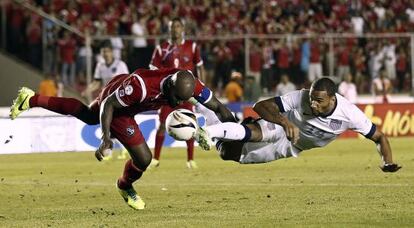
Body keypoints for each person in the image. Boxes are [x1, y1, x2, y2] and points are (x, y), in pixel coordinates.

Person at [9, 68, 235, 210]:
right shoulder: (142, 88)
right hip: (119, 102)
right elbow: (109, 105)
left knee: (88, 116)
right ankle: (125, 186)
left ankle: (31, 99)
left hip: (122, 90)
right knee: (144, 159)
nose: (177, 104)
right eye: (176, 98)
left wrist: (237, 133)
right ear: (169, 86)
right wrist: (106, 138)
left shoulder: (191, 85)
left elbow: (218, 107)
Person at [194, 77, 401, 173]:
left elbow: (379, 137)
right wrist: (284, 121)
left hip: (291, 147)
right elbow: (260, 105)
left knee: (229, 153)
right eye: (311, 98)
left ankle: (207, 108)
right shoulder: (302, 97)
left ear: (332, 99)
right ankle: (208, 131)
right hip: (281, 125)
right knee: (254, 132)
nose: (312, 103)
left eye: (318, 101)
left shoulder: (350, 114)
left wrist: (387, 162)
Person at [149, 17, 205, 169]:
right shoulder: (161, 48)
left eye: (178, 26)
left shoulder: (191, 47)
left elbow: (199, 67)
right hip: (168, 94)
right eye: (172, 27)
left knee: (190, 123)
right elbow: (153, 70)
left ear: (183, 29)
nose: (175, 29)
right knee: (161, 125)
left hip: (187, 93)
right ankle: (156, 158)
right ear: (169, 29)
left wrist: (202, 86)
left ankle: (190, 159)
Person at [82, 41, 130, 160]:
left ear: (112, 52)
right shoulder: (100, 65)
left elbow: (128, 80)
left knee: (117, 124)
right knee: (108, 125)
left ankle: (123, 150)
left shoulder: (120, 65)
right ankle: (110, 151)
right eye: (103, 52)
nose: (105, 54)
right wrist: (88, 90)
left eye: (107, 51)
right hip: (106, 100)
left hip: (119, 99)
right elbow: (97, 82)